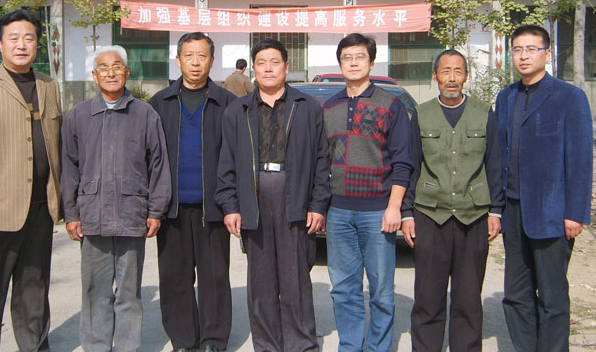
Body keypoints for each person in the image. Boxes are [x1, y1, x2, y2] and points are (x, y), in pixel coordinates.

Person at [216, 38, 331, 352]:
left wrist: (318, 204)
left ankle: (301, 344)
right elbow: (226, 161)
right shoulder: (237, 110)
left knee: (296, 276)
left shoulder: (307, 107)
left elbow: (322, 160)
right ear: (253, 69)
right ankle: (267, 344)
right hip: (254, 196)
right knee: (261, 279)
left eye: (274, 62)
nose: (268, 68)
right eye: (262, 63)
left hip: (295, 194)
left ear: (286, 67)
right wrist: (230, 206)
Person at [0, 9, 63, 352]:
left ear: (37, 44)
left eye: (29, 38)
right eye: (14, 38)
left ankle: (34, 345)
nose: (22, 45)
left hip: (41, 206)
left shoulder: (48, 86)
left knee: (34, 285)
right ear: (1, 44)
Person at [61, 45, 171, 352]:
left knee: (128, 293)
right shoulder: (78, 115)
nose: (111, 73)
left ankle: (126, 347)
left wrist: (156, 210)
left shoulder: (145, 114)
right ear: (95, 75)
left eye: (117, 66)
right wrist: (71, 213)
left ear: (127, 72)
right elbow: (69, 167)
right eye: (104, 68)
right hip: (92, 215)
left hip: (132, 215)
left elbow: (159, 165)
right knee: (95, 291)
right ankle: (96, 346)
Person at [496, 24, 593, 352]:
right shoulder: (506, 97)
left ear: (547, 54)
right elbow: (499, 154)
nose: (523, 56)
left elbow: (580, 159)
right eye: (517, 50)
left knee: (552, 296)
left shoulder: (569, 97)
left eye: (531, 49)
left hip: (552, 212)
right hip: (513, 210)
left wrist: (575, 213)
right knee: (515, 294)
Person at [400, 49, 504, 352]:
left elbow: (495, 164)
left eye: (458, 71)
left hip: (473, 216)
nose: (452, 78)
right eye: (445, 71)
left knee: (468, 299)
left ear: (466, 76)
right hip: (430, 216)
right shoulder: (421, 114)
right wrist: (407, 213)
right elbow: (411, 164)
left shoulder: (484, 113)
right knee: (428, 299)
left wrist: (496, 211)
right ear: (435, 75)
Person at [321, 33, 413, 352]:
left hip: (378, 211)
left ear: (371, 62)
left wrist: (394, 207)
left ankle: (377, 347)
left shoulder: (391, 105)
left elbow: (403, 161)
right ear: (340, 63)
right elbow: (321, 161)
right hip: (338, 212)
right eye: (347, 57)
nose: (354, 63)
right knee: (343, 289)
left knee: (381, 291)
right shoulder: (329, 107)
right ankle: (350, 345)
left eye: (360, 56)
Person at [149, 32, 236, 352]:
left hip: (213, 207)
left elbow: (237, 157)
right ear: (178, 60)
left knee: (215, 278)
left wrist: (232, 204)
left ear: (212, 60)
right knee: (175, 278)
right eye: (189, 55)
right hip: (170, 208)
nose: (195, 62)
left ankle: (214, 340)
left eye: (202, 55)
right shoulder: (159, 103)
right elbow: (149, 157)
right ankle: (184, 340)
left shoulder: (228, 103)